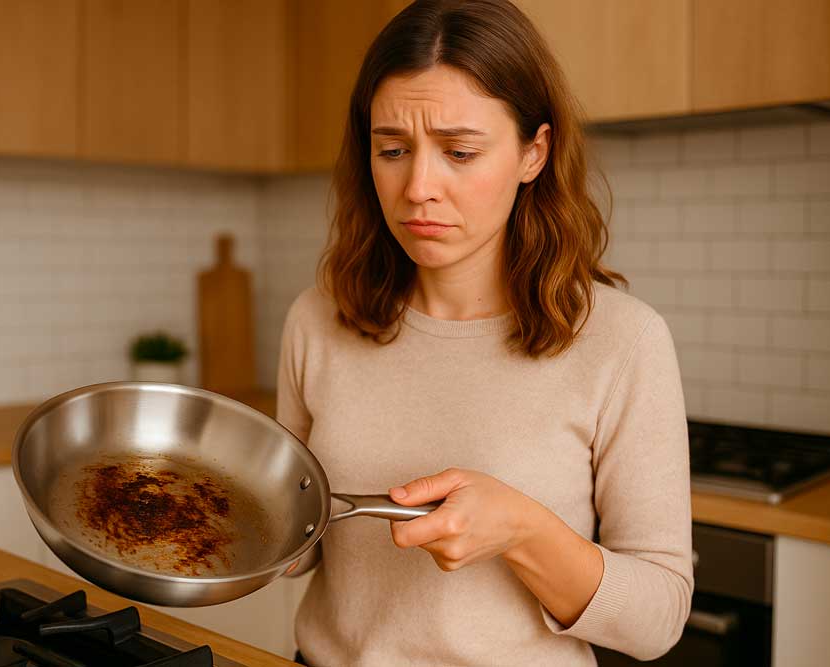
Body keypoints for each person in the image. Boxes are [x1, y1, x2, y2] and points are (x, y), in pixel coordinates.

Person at [276, 1, 693, 665]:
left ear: (534, 152)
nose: (418, 187)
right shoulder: (316, 319)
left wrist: (523, 530)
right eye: (392, 150)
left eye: (460, 152)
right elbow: (293, 543)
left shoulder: (624, 340)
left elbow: (658, 619)